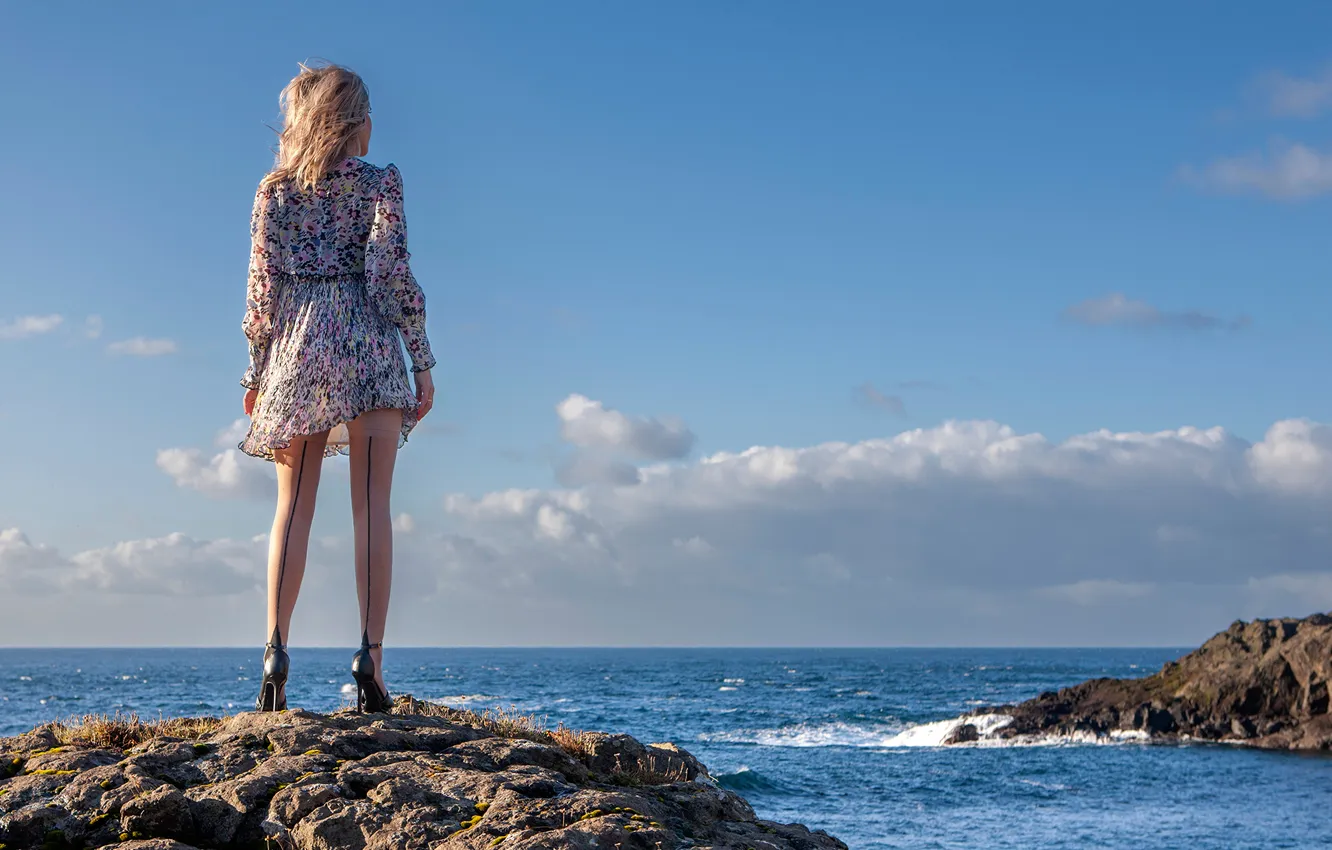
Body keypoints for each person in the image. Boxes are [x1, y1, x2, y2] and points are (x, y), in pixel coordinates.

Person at [236, 60, 436, 714]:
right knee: (370, 508)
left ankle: (274, 653)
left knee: (292, 508)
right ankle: (368, 662)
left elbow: (262, 292)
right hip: (370, 346)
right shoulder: (380, 184)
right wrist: (422, 360)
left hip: (296, 351)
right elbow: (391, 273)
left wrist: (256, 371)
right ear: (357, 125)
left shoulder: (275, 192)